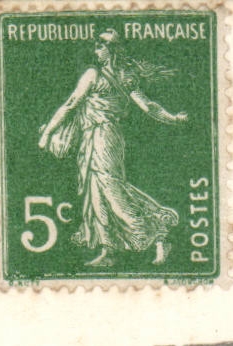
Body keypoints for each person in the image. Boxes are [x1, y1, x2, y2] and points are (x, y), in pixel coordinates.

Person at [37, 29, 189, 267]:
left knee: (111, 190)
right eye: (96, 45)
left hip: (104, 137)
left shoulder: (95, 74)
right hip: (97, 137)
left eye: (100, 45)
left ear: (111, 49)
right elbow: (148, 107)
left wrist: (47, 133)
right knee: (96, 191)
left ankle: (158, 233)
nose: (96, 49)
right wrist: (173, 118)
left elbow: (71, 104)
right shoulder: (123, 76)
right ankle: (108, 250)